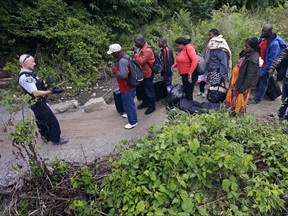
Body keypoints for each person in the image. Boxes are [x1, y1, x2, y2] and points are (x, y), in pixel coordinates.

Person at [18, 54, 68, 144]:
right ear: (25, 63)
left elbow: (36, 86)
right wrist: (51, 92)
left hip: (36, 103)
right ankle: (56, 139)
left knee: (41, 120)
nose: (34, 63)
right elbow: (35, 93)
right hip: (37, 103)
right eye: (32, 61)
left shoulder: (29, 73)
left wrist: (45, 83)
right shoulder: (26, 77)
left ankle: (46, 137)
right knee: (52, 121)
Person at [225, 37, 261, 116]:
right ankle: (232, 111)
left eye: (247, 47)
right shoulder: (248, 53)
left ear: (253, 48)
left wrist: (242, 88)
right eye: (244, 46)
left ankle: (236, 114)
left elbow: (249, 76)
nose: (244, 48)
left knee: (238, 99)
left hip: (242, 84)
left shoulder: (253, 60)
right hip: (238, 81)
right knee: (234, 98)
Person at [252, 23, 287, 104]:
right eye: (262, 31)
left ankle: (257, 99)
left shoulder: (274, 44)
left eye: (265, 31)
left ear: (270, 32)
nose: (262, 33)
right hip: (260, 63)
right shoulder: (263, 39)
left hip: (266, 66)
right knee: (258, 81)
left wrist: (265, 70)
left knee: (263, 82)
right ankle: (256, 96)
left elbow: (271, 60)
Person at [107, 44, 138, 129]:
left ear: (116, 53)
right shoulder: (125, 57)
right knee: (128, 103)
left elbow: (123, 75)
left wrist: (114, 69)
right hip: (128, 85)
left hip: (126, 87)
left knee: (129, 104)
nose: (112, 55)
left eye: (112, 53)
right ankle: (130, 116)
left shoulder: (122, 61)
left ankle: (133, 122)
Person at [133, 34, 156, 115]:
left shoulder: (147, 50)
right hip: (142, 73)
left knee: (149, 90)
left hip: (147, 73)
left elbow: (141, 61)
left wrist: (135, 53)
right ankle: (145, 102)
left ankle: (152, 107)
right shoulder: (141, 48)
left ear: (141, 41)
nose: (135, 44)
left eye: (136, 42)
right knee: (143, 89)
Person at [268, 47, 288, 120]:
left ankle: (286, 118)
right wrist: (272, 67)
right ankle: (280, 113)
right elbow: (281, 56)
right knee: (284, 98)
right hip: (286, 77)